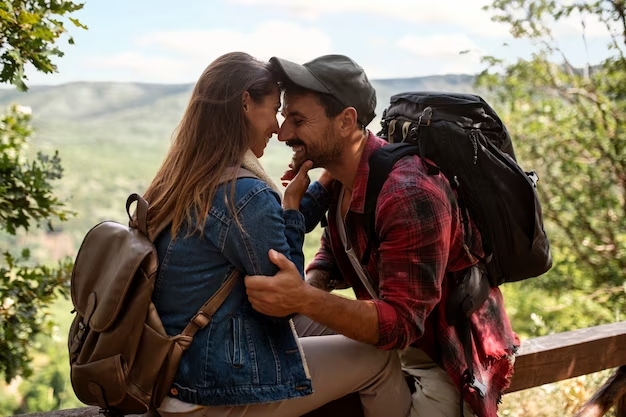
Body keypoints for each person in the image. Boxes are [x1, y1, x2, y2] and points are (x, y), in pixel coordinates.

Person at [244, 54, 520, 417]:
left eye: (298, 120)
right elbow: (336, 255)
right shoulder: (343, 181)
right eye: (284, 119)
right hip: (392, 346)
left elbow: (403, 324)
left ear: (345, 122)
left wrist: (305, 299)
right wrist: (306, 289)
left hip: (442, 360)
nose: (283, 134)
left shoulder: (407, 192)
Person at [142, 51, 412, 417]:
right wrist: (290, 208)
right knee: (377, 360)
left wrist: (309, 193)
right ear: (245, 104)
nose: (277, 129)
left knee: (339, 330)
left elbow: (262, 237)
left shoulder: (186, 177)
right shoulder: (243, 194)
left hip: (180, 372)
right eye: (274, 110)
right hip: (210, 392)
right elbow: (285, 295)